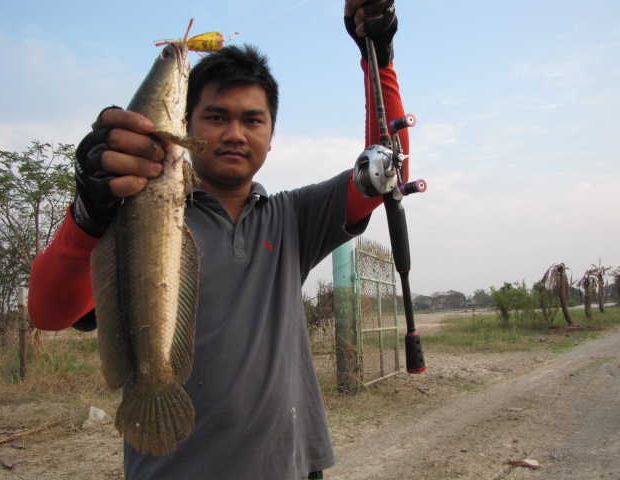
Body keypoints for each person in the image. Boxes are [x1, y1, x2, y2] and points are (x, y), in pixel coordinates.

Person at [28, 1, 409, 478]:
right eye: (215, 116)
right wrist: (88, 213)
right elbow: (45, 313)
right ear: (184, 126)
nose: (234, 133)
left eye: (253, 120)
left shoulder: (293, 219)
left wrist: (378, 56)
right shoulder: (129, 214)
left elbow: (386, 165)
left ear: (272, 136)